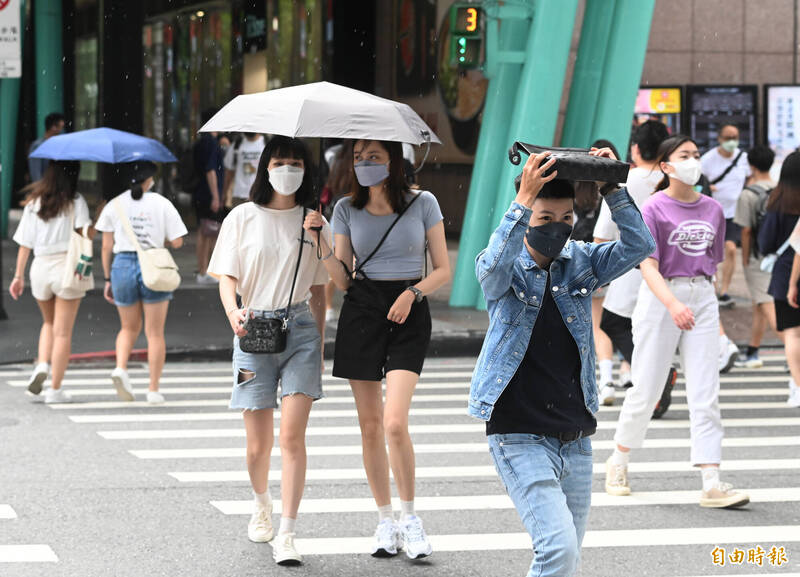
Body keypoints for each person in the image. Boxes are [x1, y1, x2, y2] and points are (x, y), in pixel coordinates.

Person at [470, 148, 654, 577]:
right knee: (558, 552)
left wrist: (611, 186)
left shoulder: (582, 262)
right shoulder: (503, 268)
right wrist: (522, 200)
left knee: (567, 557)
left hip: (575, 436)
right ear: (525, 220)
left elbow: (640, 245)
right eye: (544, 220)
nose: (557, 229)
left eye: (566, 220)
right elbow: (492, 270)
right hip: (518, 433)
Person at [305, 139, 450, 560]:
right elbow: (345, 279)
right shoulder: (346, 209)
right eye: (358, 157)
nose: (365, 164)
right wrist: (321, 243)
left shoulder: (424, 202)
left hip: (409, 310)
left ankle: (411, 519)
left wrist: (413, 293)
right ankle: (385, 520)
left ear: (393, 161)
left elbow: (443, 269)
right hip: (363, 311)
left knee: (393, 422)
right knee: (369, 426)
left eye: (374, 157)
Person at [606, 135, 750, 509]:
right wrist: (672, 304)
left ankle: (711, 481)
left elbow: (713, 261)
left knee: (706, 392)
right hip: (659, 299)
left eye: (697, 155)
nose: (694, 161)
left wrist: (706, 308)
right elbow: (647, 265)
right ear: (667, 166)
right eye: (685, 155)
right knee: (647, 389)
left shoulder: (713, 209)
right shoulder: (653, 208)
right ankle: (618, 460)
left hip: (701, 296)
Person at [208, 136, 328, 566]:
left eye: (296, 162)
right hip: (253, 329)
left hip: (299, 331)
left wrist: (318, 334)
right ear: (265, 167)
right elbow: (226, 276)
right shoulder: (242, 216)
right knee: (258, 446)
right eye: (280, 161)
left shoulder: (314, 221)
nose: (288, 169)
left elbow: (323, 285)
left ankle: (289, 533)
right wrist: (232, 313)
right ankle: (262, 504)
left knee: (292, 437)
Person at [593, 120, 674, 412]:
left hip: (631, 265)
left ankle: (657, 379)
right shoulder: (670, 177)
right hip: (666, 265)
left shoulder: (625, 178)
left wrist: (597, 269)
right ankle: (654, 378)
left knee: (613, 323)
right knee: (646, 327)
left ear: (636, 148)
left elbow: (604, 230)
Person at [95, 162, 188, 404]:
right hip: (153, 265)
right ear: (149, 181)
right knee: (155, 333)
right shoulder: (161, 203)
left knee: (128, 328)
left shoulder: (114, 204)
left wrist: (107, 279)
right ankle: (153, 389)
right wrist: (159, 240)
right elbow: (178, 241)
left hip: (122, 266)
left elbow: (106, 246)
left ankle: (121, 367)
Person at [9, 161, 90, 404]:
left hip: (40, 267)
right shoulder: (76, 202)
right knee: (63, 333)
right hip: (67, 268)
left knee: (48, 323)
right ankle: (55, 390)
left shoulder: (34, 203)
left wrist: (18, 276)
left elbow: (25, 244)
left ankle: (42, 363)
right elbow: (84, 238)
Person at [733, 145, 781, 368]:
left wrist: (744, 260)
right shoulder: (781, 189)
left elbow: (745, 230)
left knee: (766, 304)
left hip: (756, 257)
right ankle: (753, 350)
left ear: (751, 165)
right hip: (778, 254)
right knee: (759, 304)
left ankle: (792, 347)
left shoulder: (748, 194)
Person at [759, 151, 800, 408]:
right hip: (791, 272)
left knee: (793, 334)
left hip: (787, 274)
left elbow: (766, 243)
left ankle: (797, 386)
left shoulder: (778, 202)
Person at [700, 124, 750, 307]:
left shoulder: (742, 157)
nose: (732, 141)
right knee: (711, 253)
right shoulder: (708, 159)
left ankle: (725, 291)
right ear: (720, 138)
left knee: (730, 249)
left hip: (734, 213)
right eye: (728, 137)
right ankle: (712, 288)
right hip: (712, 213)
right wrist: (708, 187)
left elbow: (749, 178)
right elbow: (698, 182)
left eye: (735, 137)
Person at [320, 141, 357, 323]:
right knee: (358, 264)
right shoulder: (361, 160)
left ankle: (327, 307)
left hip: (338, 212)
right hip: (359, 212)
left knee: (336, 264)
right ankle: (357, 301)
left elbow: (330, 186)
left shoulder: (335, 157)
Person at [193, 108, 225, 285]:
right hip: (208, 193)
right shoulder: (211, 144)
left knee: (206, 230)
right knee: (207, 232)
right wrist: (215, 196)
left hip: (200, 192)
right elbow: (211, 170)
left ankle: (204, 270)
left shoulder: (201, 142)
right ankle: (205, 270)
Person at [223, 133, 265, 208]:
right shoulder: (237, 144)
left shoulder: (265, 143)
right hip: (239, 196)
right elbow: (229, 171)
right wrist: (224, 193)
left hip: (261, 197)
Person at [28, 113, 66, 183]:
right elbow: (36, 174)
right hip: (45, 188)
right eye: (61, 127)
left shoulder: (59, 145)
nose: (62, 131)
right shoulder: (38, 146)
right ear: (53, 127)